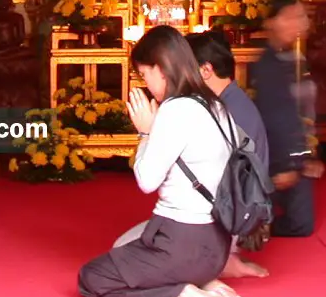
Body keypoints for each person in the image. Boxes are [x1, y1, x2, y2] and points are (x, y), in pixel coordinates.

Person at [78, 25, 241, 297]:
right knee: (125, 250)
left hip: (180, 244)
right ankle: (201, 280)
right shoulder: (216, 105)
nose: (146, 83)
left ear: (161, 69)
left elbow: (146, 181)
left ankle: (178, 295)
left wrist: (145, 133)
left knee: (92, 277)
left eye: (144, 74)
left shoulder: (175, 109)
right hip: (218, 246)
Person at [112, 30, 270, 279]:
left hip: (224, 221)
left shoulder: (204, 107)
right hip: (226, 216)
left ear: (204, 70)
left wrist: (148, 134)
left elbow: (149, 180)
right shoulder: (224, 103)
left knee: (121, 252)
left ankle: (212, 269)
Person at [250, 0, 323, 238]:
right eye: (292, 17)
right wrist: (288, 164)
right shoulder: (267, 64)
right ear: (271, 22)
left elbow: (304, 111)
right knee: (293, 223)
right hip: (276, 157)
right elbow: (275, 118)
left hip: (297, 153)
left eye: (302, 16)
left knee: (301, 224)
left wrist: (309, 154)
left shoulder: (296, 58)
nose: (301, 23)